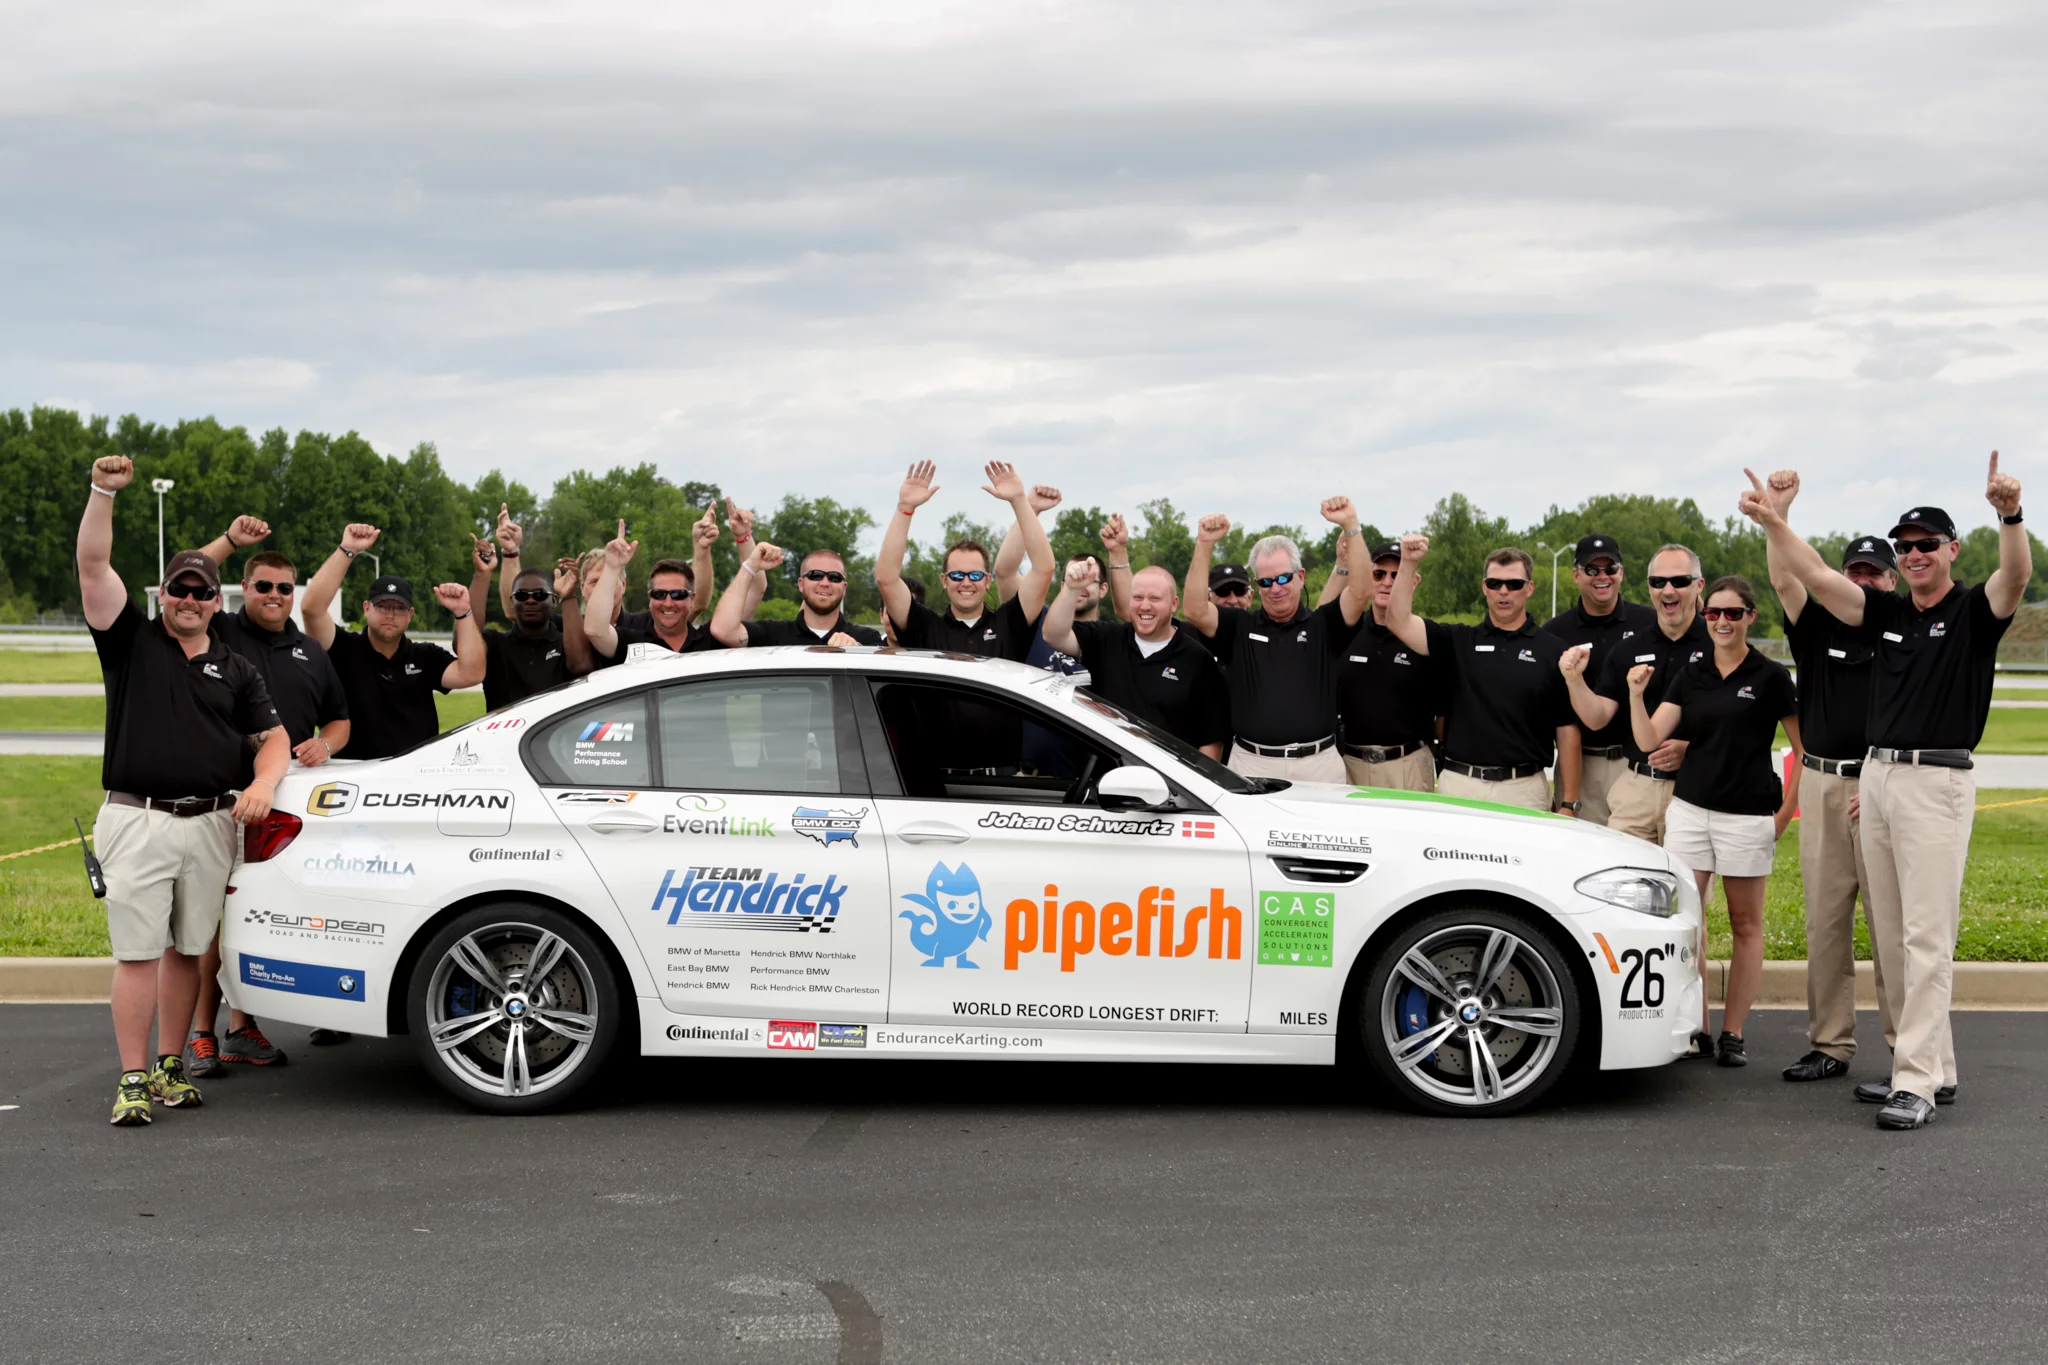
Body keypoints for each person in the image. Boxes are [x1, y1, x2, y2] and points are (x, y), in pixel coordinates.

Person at [1741, 456, 2030, 1131]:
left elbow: (2016, 574)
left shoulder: (1971, 612)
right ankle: (1939, 1066)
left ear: (1952, 550)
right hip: (1877, 775)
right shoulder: (1886, 613)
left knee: (1927, 936)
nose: (1915, 553)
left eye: (1927, 544)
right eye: (1905, 546)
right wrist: (1776, 520)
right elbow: (1812, 575)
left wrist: (2010, 513)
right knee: (1897, 934)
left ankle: (1917, 1080)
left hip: (1937, 778)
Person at [77, 457, 288, 1126]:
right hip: (138, 820)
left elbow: (274, 739)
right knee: (139, 953)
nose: (190, 601)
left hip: (209, 824)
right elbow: (91, 564)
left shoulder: (237, 665)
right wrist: (103, 492)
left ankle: (169, 1064)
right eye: (179, 591)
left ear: (216, 599)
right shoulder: (130, 644)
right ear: (162, 595)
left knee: (188, 950)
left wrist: (262, 783)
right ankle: (132, 1076)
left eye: (201, 593)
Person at [179, 532, 353, 1068]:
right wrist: (231, 539)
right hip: (223, 798)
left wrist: (326, 743)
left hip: (287, 806)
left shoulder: (310, 651)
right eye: (263, 586)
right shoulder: (222, 629)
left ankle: (242, 1027)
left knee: (261, 916)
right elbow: (192, 571)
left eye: (283, 587)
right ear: (242, 589)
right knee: (210, 920)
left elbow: (340, 720)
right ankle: (202, 1033)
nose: (274, 595)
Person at [1625, 575, 1802, 1069]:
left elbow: (1804, 749)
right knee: (1690, 922)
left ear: (1750, 617)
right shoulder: (1693, 669)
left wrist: (1785, 814)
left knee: (1745, 925)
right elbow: (1648, 739)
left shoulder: (1770, 675)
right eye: (1714, 613)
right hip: (1690, 810)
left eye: (1732, 613)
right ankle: (1699, 1027)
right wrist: (1637, 696)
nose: (1722, 621)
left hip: (1747, 815)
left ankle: (1734, 1032)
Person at [1764, 490, 1900, 1084]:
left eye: (1874, 573)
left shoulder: (1902, 632)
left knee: (1891, 923)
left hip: (1883, 784)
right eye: (1855, 572)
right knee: (1825, 920)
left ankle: (1908, 1049)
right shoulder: (1816, 625)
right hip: (1821, 781)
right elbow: (1786, 579)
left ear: (1891, 581)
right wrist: (1778, 518)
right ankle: (1830, 1043)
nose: (1864, 581)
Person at [1182, 501, 1374, 783]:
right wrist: (1204, 544)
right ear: (1257, 586)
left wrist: (1351, 526)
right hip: (1251, 763)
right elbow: (1195, 610)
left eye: (1283, 578)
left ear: (1300, 576)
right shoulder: (1239, 626)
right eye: (1266, 582)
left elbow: (1360, 591)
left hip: (1318, 764)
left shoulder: (1323, 624)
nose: (1276, 588)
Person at [1386, 540, 1581, 812]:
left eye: (1513, 584)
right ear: (1484, 587)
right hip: (1460, 785)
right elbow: (1396, 620)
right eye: (1494, 583)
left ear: (1529, 588)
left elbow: (1567, 731)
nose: (1503, 591)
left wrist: (1568, 803)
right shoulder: (1458, 641)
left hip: (1523, 789)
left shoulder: (1553, 650)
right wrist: (1408, 561)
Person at [1559, 545, 1709, 843]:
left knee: (1687, 885)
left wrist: (1691, 749)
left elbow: (1737, 722)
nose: (1668, 590)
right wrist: (1574, 679)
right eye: (1658, 582)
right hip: (1636, 786)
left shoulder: (1717, 646)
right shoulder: (1630, 648)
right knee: (1621, 881)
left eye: (1679, 581)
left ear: (1698, 585)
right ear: (1649, 587)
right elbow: (1597, 718)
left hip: (1693, 787)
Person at [299, 525, 485, 758]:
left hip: (412, 779)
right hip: (354, 779)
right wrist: (347, 550)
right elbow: (311, 609)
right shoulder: (343, 648)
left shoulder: (425, 656)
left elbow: (473, 673)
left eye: (399, 608)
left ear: (410, 614)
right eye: (383, 606)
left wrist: (463, 612)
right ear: (366, 608)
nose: (390, 614)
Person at [1040, 560, 1232, 759]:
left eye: (1155, 598)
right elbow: (1053, 635)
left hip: (1171, 784)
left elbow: (1211, 741)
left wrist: (1195, 786)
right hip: (1110, 780)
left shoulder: (1198, 660)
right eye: (1138, 597)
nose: (1145, 606)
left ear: (1174, 603)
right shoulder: (1106, 638)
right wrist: (1072, 588)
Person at [876, 460, 1058, 660]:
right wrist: (905, 507)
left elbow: (1044, 568)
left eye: (975, 575)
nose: (966, 582)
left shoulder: (1010, 622)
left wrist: (1020, 501)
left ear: (988, 580)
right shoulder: (926, 626)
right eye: (957, 575)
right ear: (944, 580)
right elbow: (887, 579)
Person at [1541, 534, 1658, 824]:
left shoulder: (1650, 623)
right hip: (1582, 765)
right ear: (1576, 575)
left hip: (1637, 763)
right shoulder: (1555, 632)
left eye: (1610, 568)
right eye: (1592, 570)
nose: (1602, 576)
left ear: (1621, 573)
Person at [1325, 537, 1447, 791]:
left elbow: (1444, 712)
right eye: (1379, 574)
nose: (1387, 582)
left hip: (1408, 765)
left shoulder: (1425, 638)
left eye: (1397, 574)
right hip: (1350, 765)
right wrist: (1342, 563)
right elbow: (1321, 616)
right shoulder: (1346, 632)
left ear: (1414, 581)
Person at [584, 516, 749, 663]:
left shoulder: (709, 639)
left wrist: (703, 549)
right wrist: (612, 567)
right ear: (650, 598)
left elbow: (702, 603)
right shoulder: (634, 641)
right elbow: (595, 630)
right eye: (659, 594)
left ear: (691, 598)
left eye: (678, 595)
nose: (668, 603)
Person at [465, 533, 571, 708]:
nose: (530, 600)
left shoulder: (568, 645)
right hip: (504, 735)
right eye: (521, 596)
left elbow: (584, 664)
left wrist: (569, 596)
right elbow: (465, 642)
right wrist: (481, 574)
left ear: (553, 600)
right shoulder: (496, 644)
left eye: (539, 595)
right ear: (511, 602)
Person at [710, 543, 884, 647]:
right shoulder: (772, 635)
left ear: (844, 587)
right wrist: (750, 567)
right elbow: (723, 630)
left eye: (834, 577)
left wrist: (858, 651)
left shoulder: (867, 639)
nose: (824, 582)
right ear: (801, 584)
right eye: (815, 575)